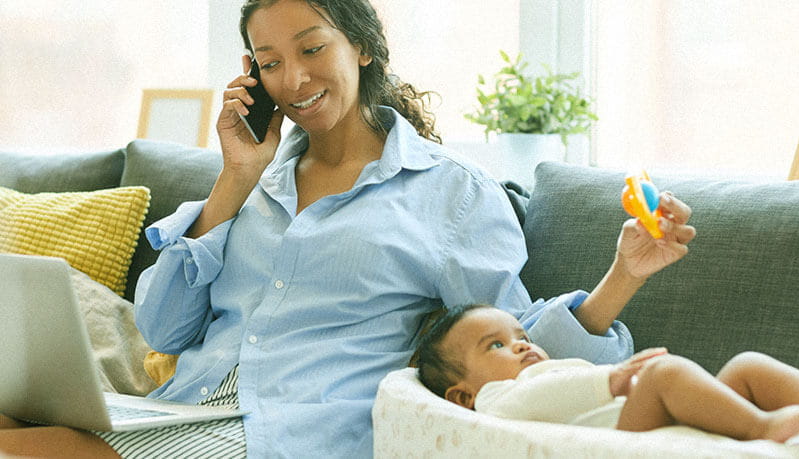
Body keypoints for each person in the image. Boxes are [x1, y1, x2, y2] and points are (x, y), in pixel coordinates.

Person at [0, 0, 696, 457]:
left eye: (310, 49)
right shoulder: (254, 180)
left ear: (360, 46)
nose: (292, 78)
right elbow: (163, 330)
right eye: (269, 64)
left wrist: (621, 274)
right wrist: (236, 178)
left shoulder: (448, 193)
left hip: (293, 432)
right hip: (181, 408)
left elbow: (508, 350)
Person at [416, 304, 799, 443]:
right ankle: (762, 429)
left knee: (746, 367)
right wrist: (612, 380)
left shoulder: (555, 369)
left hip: (663, 422)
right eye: (495, 345)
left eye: (522, 335)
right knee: (662, 374)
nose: (521, 344)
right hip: (621, 443)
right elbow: (528, 401)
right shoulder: (492, 401)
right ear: (461, 395)